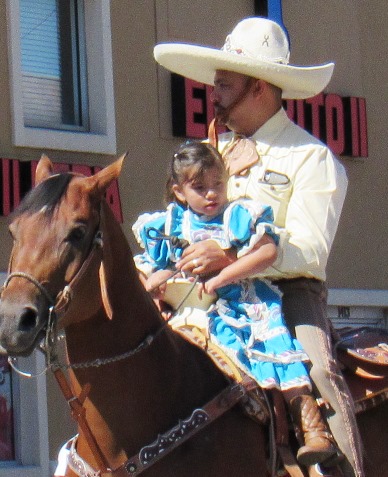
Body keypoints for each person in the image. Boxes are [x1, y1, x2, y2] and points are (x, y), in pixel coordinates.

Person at [153, 17, 363, 477]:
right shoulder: (210, 153)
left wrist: (232, 259)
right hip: (204, 297)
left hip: (286, 299)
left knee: (322, 378)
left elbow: (309, 249)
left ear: (260, 89)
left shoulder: (312, 158)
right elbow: (180, 219)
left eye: (225, 85)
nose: (215, 95)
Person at [133, 140, 340, 468]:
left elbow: (267, 252)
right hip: (188, 308)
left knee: (275, 347)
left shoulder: (238, 215)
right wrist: (154, 280)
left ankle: (310, 425)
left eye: (218, 184)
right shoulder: (168, 225)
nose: (212, 194)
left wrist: (221, 276)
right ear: (178, 191)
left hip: (241, 302)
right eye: (200, 187)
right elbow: (157, 264)